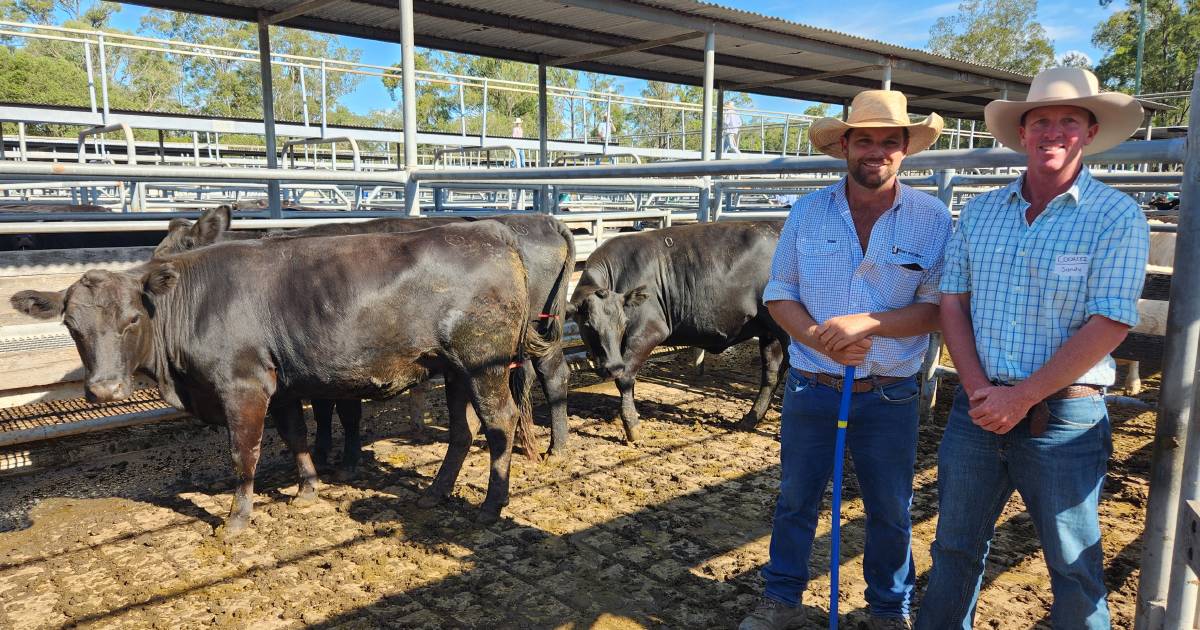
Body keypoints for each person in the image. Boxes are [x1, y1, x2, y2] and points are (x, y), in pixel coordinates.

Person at [915, 67, 1148, 629]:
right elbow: (953, 304)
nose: (1053, 131)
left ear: (1089, 133)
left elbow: (1110, 321)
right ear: (1023, 133)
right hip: (978, 408)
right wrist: (976, 388)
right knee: (952, 550)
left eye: (1069, 120)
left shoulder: (1116, 216)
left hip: (1063, 414)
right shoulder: (981, 212)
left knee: (1072, 563)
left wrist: (1018, 397)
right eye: (1041, 120)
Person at [740, 90, 950, 630]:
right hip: (813, 384)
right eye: (865, 140)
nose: (876, 151)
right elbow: (779, 290)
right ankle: (781, 599)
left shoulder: (931, 218)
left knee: (890, 508)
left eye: (889, 141)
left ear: (905, 149)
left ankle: (887, 608)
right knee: (795, 498)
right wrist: (818, 335)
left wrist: (871, 324)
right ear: (845, 146)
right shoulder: (809, 211)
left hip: (890, 390)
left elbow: (936, 309)